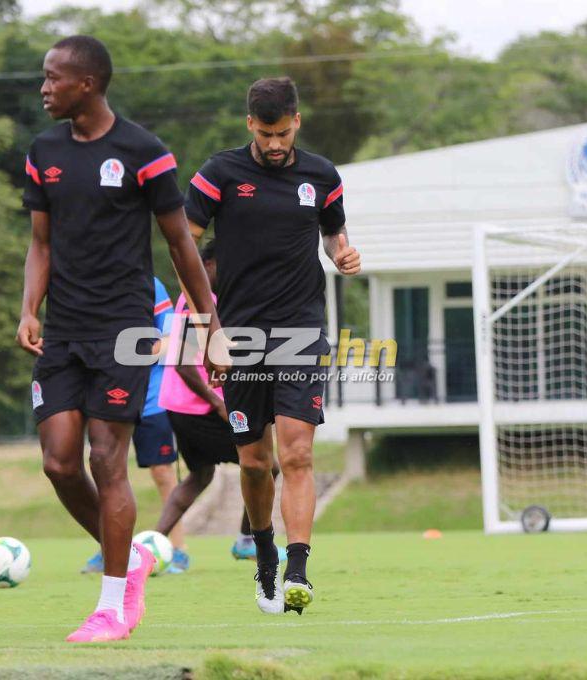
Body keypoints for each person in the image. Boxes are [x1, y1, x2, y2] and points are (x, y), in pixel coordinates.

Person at [17, 35, 221, 642]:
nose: (45, 87)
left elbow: (181, 242)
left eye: (54, 77)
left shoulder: (143, 152)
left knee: (107, 458)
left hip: (126, 327)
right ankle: (129, 555)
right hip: (64, 329)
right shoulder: (44, 150)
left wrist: (206, 321)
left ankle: (111, 606)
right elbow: (41, 244)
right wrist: (30, 308)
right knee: (58, 461)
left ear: (88, 84)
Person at [185, 77, 361, 614]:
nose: (276, 143)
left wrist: (342, 254)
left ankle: (298, 572)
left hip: (302, 328)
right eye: (266, 134)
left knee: (298, 452)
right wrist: (204, 330)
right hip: (237, 336)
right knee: (256, 464)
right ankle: (264, 557)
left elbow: (334, 234)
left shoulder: (322, 176)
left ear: (297, 122)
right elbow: (183, 249)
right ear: (250, 127)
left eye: (284, 132)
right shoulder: (217, 175)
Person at [153, 241, 286, 564]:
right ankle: (247, 541)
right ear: (207, 265)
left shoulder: (202, 299)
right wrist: (217, 403)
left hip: (180, 404)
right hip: (196, 406)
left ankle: (148, 547)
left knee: (200, 475)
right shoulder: (200, 301)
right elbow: (183, 362)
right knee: (266, 465)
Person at [82, 276, 188, 575]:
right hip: (108, 394)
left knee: (162, 472)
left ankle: (177, 551)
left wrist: (131, 355)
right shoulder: (94, 285)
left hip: (152, 397)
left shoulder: (151, 284)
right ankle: (108, 549)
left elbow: (171, 339)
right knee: (106, 470)